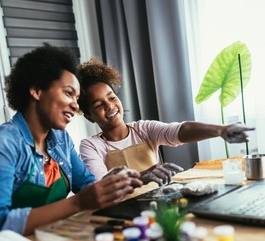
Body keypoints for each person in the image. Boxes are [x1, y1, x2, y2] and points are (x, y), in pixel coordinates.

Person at [0, 45, 142, 241]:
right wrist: (78, 203)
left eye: (76, 98)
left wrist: (126, 181)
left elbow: (86, 183)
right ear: (37, 91)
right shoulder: (1, 144)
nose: (74, 105)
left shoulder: (60, 139)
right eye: (68, 93)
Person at [77, 58, 254, 185]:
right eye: (99, 105)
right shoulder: (91, 146)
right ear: (89, 116)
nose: (110, 106)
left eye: (112, 98)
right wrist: (141, 176)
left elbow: (180, 131)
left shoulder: (143, 129)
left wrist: (221, 130)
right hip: (120, 212)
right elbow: (100, 185)